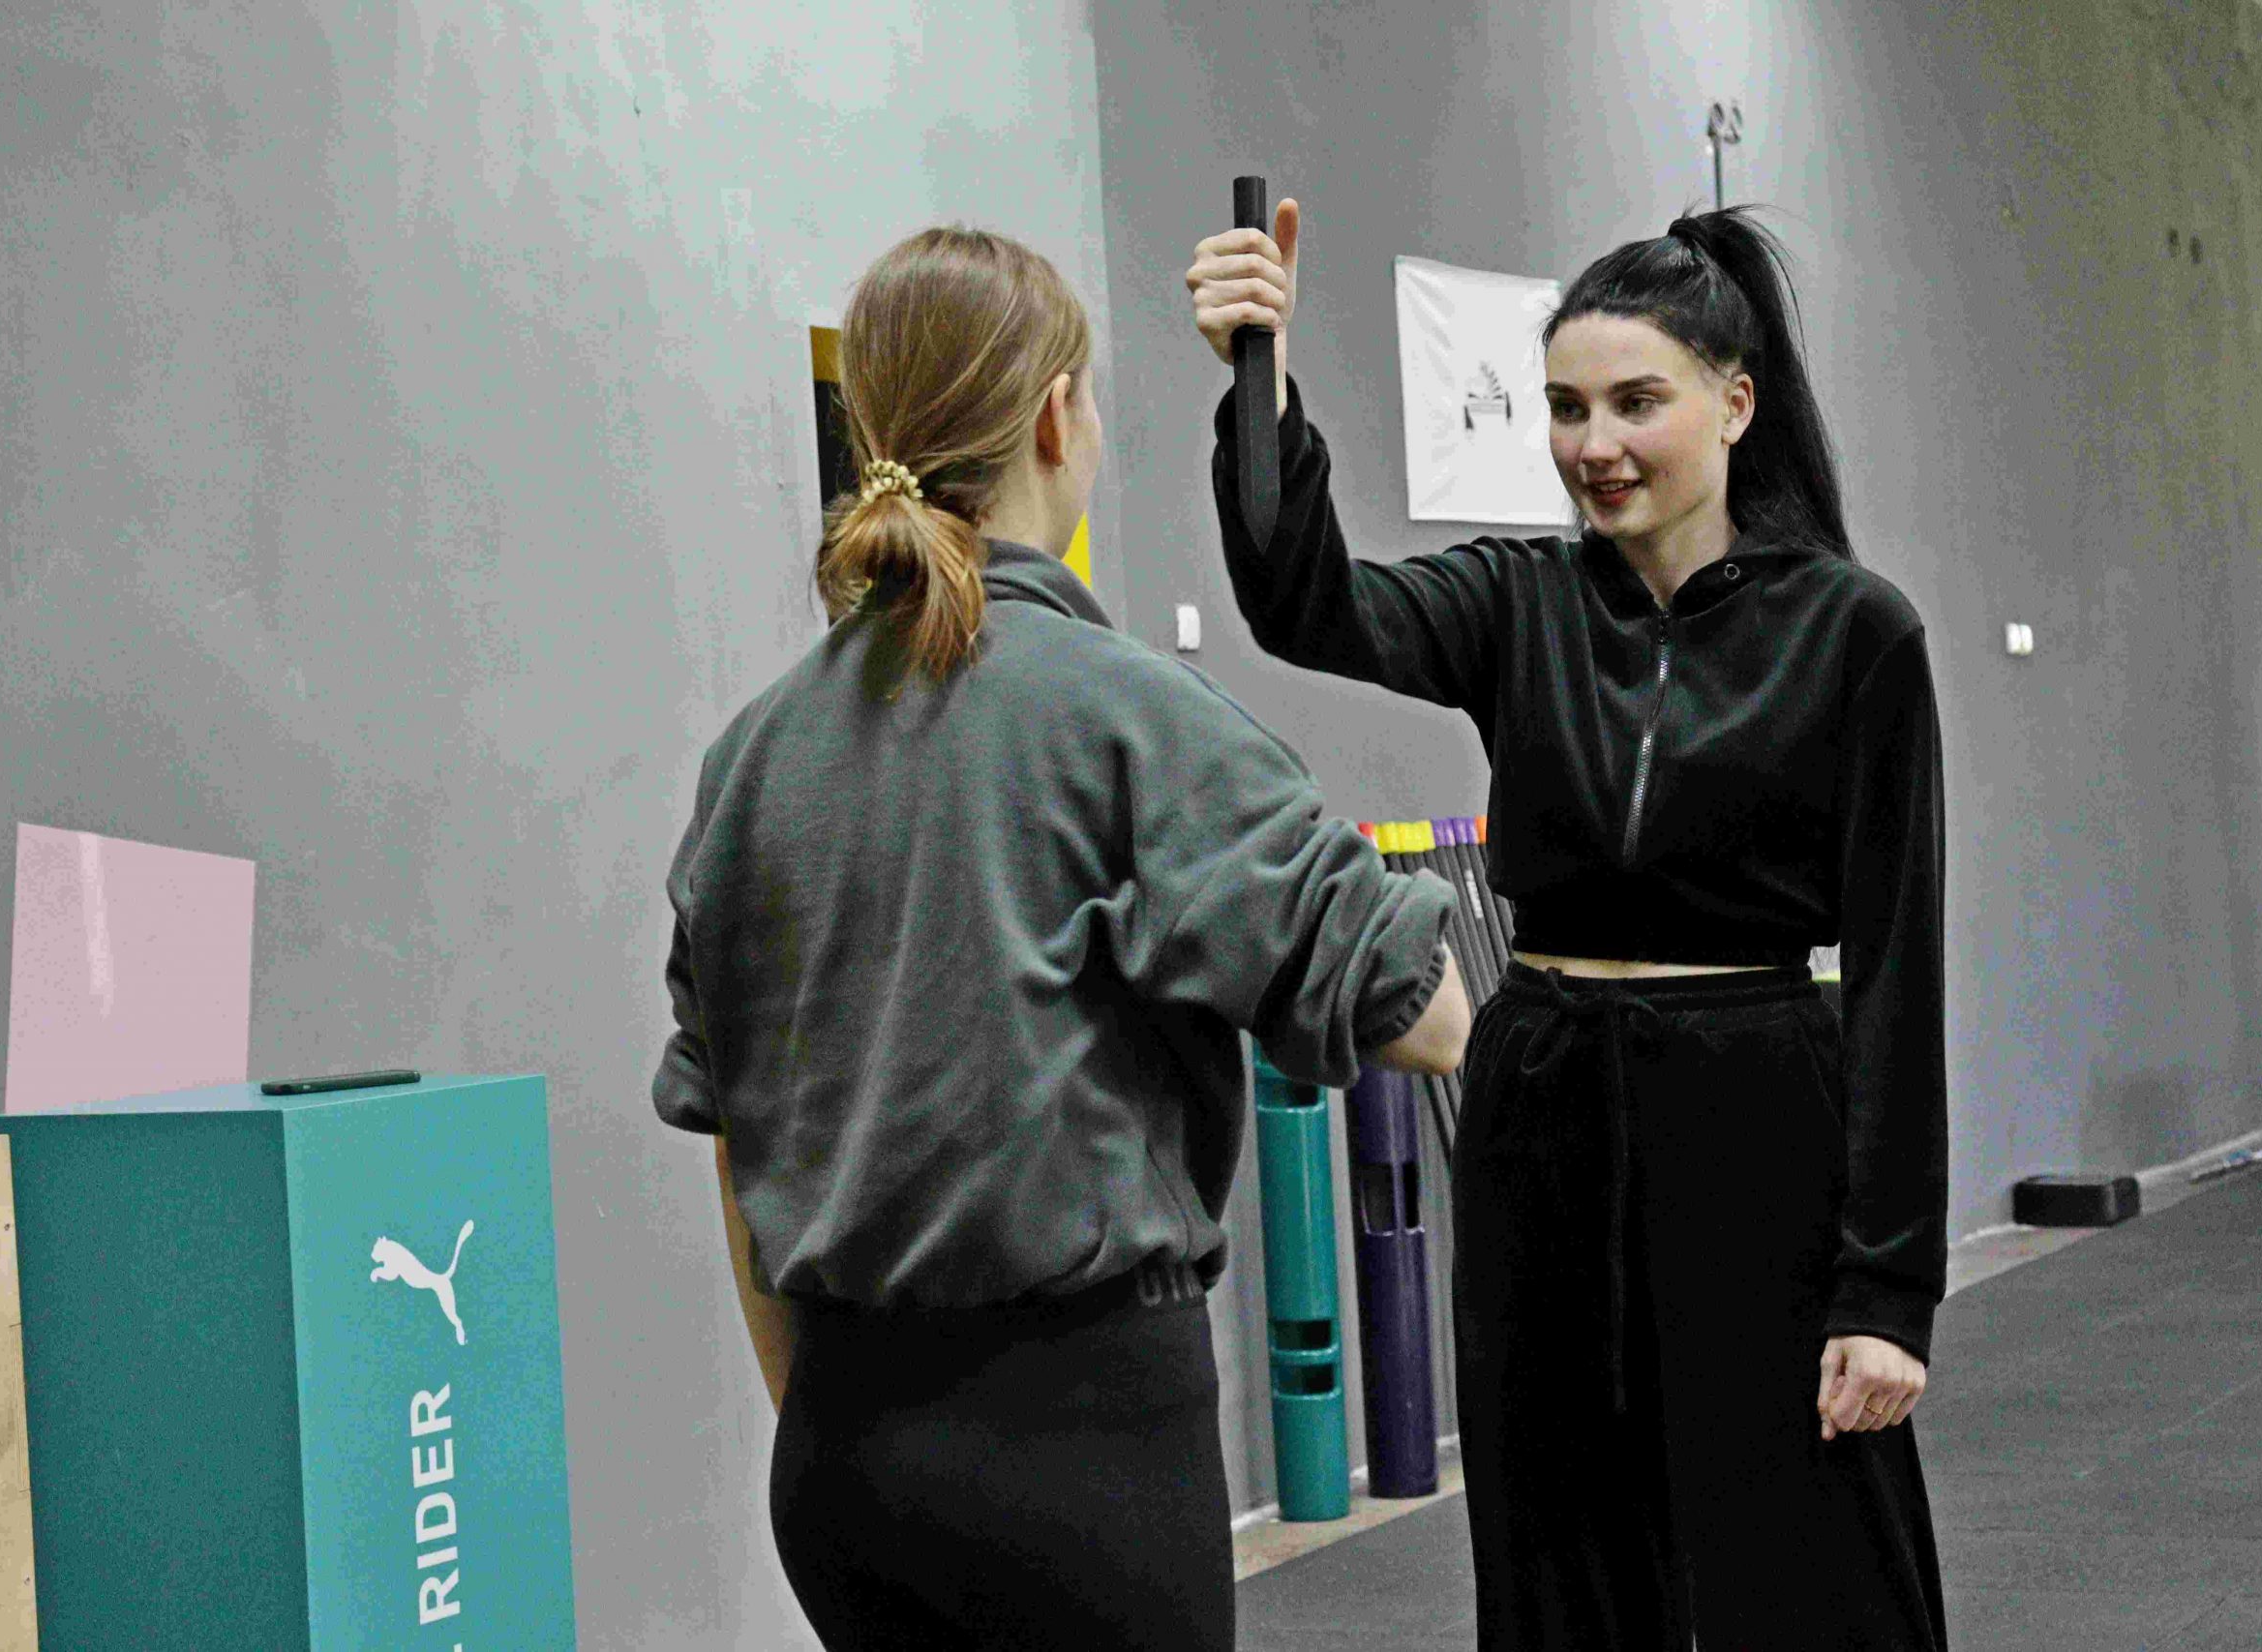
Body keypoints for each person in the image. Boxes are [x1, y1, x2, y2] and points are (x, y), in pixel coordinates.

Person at [651, 224, 1472, 1652]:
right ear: (1057, 414)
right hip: (1082, 1466)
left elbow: (737, 1145)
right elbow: (1425, 1011)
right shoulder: (1126, 715)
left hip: (841, 1463)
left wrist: (845, 1424)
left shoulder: (750, 758)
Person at [1187, 198, 1950, 1648]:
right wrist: (1257, 375)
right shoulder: (1517, 599)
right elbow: (1304, 604)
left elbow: (1900, 973)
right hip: (1543, 1106)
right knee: (1557, 1550)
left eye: (1635, 403)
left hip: (1753, 1108)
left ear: (1735, 405)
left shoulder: (1857, 632)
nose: (1594, 444)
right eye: (1565, 407)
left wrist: (1888, 1289)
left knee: (1806, 1545)